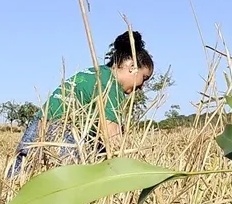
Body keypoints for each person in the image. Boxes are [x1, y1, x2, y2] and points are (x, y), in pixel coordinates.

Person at [9, 31, 155, 176]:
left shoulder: (94, 73)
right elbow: (112, 139)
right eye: (144, 77)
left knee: (17, 184)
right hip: (62, 137)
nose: (142, 87)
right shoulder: (111, 86)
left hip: (36, 129)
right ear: (132, 67)